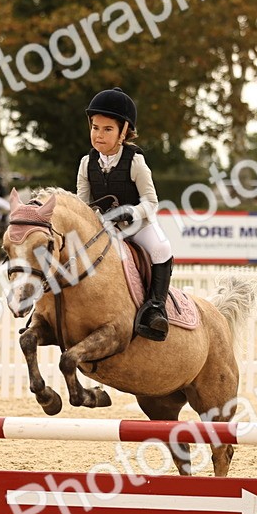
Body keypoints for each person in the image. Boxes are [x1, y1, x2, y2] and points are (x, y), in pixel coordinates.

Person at [76, 87, 174, 341]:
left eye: (107, 129)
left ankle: (155, 309)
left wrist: (130, 212)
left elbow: (151, 202)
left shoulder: (135, 161)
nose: (98, 135)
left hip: (137, 226)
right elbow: (82, 203)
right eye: (95, 127)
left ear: (123, 132)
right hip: (104, 228)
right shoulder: (86, 163)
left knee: (162, 249)